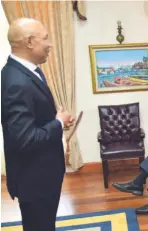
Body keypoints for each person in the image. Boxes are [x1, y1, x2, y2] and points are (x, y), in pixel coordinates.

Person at [1, 18, 75, 231]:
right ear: (30, 42)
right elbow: (25, 138)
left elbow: (32, 120)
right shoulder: (17, 81)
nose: (50, 44)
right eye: (46, 38)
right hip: (34, 180)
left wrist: (56, 122)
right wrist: (58, 123)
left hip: (42, 175)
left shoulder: (29, 71)